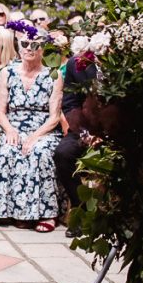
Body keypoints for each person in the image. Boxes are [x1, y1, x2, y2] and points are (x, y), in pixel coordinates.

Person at [0, 30, 64, 231]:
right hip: (14, 126)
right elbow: (1, 112)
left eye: (35, 45)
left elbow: (55, 116)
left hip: (44, 130)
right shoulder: (7, 73)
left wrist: (35, 136)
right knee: (6, 154)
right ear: (19, 46)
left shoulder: (53, 75)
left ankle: (46, 214)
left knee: (39, 153)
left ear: (43, 48)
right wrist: (9, 131)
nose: (29, 48)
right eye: (25, 44)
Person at [53, 53, 98, 235]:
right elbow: (70, 104)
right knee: (63, 153)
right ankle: (81, 210)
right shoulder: (77, 63)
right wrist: (86, 133)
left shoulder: (125, 61)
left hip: (117, 130)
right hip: (84, 128)